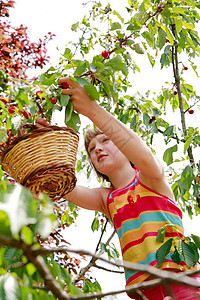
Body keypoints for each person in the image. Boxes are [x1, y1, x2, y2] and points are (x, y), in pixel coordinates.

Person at [36, 77, 200, 300]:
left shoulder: (151, 177)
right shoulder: (107, 199)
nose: (98, 149)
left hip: (184, 281)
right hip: (145, 292)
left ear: (125, 148)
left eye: (105, 140)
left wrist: (91, 110)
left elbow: (140, 152)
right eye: (92, 148)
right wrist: (43, 146)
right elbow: (64, 186)